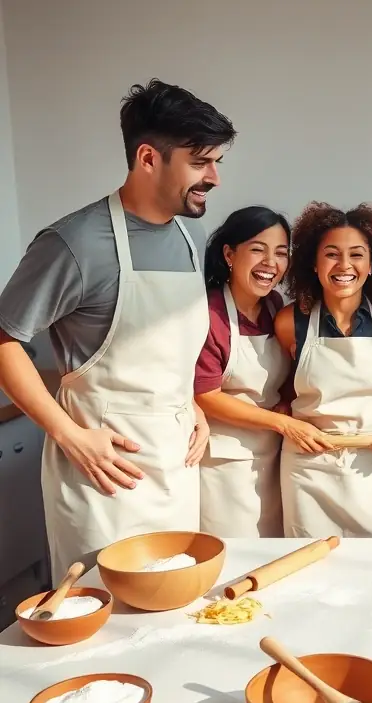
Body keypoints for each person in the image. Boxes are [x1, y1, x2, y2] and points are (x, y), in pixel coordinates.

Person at [0, 79, 235, 581]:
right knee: (103, 614)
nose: (214, 177)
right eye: (200, 162)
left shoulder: (189, 235)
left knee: (174, 602)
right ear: (149, 158)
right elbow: (4, 339)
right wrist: (68, 434)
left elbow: (163, 344)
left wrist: (188, 401)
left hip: (174, 468)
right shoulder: (74, 242)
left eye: (216, 162)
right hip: (101, 476)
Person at [275, 201, 372, 538]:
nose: (344, 265)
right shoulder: (290, 322)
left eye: (357, 254)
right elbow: (285, 391)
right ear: (315, 264)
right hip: (309, 467)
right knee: (307, 570)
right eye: (332, 254)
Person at [195, 206, 310, 538]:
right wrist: (281, 422)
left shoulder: (276, 307)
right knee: (235, 557)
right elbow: (205, 395)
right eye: (258, 249)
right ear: (229, 253)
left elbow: (291, 371)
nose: (270, 263)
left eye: (280, 253)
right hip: (224, 466)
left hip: (274, 456)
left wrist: (287, 403)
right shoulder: (209, 313)